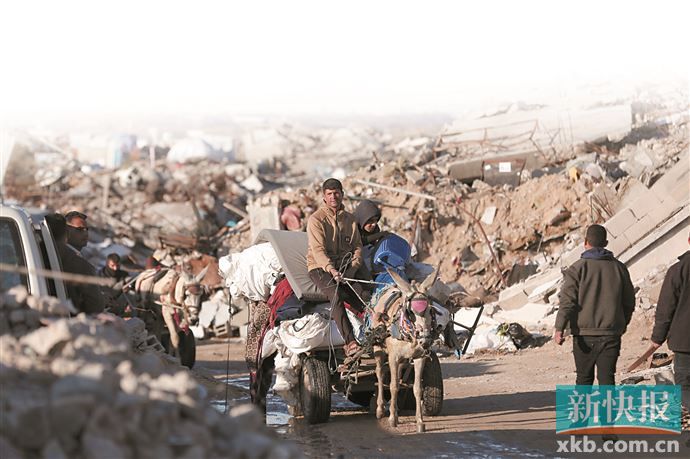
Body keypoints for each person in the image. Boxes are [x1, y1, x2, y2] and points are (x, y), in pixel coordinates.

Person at [553, 224, 635, 385]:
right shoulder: (619, 268)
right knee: (607, 379)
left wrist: (559, 328)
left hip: (583, 335)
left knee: (583, 379)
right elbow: (629, 302)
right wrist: (621, 323)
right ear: (606, 243)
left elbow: (567, 302)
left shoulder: (577, 269)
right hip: (611, 333)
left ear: (585, 242)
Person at [307, 178, 366, 356]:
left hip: (345, 266)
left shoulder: (350, 219)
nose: (333, 197)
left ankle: (372, 333)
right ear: (324, 197)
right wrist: (332, 270)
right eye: (330, 194)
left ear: (342, 194)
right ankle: (350, 342)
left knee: (363, 295)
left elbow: (357, 247)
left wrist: (353, 268)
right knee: (335, 296)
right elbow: (318, 251)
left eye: (336, 193)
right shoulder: (316, 219)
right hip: (320, 267)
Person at [650, 232, 690, 411]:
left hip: (685, 343)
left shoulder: (678, 270)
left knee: (685, 387)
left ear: (688, 241)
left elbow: (666, 307)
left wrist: (658, 337)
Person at [45, 213, 105, 314]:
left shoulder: (55, 252)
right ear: (67, 231)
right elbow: (94, 305)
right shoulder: (76, 263)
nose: (85, 233)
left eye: (87, 229)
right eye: (80, 229)